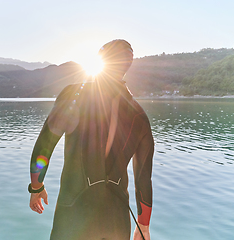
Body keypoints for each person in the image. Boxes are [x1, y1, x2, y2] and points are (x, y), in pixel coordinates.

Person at [28, 39, 154, 240]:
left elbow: (45, 146)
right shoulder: (140, 117)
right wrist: (144, 226)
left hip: (74, 214)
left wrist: (36, 187)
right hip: (117, 219)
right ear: (127, 67)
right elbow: (143, 179)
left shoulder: (74, 95)